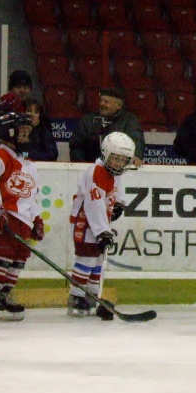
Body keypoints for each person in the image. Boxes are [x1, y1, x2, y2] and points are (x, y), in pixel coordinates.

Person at [0, 112, 43, 321]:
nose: (26, 136)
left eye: (27, 132)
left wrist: (36, 218)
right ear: (9, 133)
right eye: (22, 132)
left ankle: (4, 294)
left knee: (18, 260)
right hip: (3, 216)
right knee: (2, 257)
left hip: (23, 220)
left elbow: (32, 196)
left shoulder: (29, 165)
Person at [67, 132, 134, 318]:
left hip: (98, 222)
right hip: (85, 222)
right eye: (115, 159)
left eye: (123, 160)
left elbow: (115, 188)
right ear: (105, 153)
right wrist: (102, 231)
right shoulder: (96, 171)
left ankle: (92, 296)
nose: (119, 164)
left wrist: (119, 202)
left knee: (97, 260)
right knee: (86, 258)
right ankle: (77, 296)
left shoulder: (111, 172)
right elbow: (93, 203)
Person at [69, 87, 144, 167]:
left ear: (118, 105)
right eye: (101, 100)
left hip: (119, 170)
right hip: (90, 168)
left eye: (106, 102)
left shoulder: (129, 121)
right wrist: (82, 165)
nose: (102, 104)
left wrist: (136, 156)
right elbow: (76, 146)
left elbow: (137, 141)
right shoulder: (87, 120)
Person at [0, 69, 32, 153]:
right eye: (18, 87)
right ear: (11, 89)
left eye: (26, 87)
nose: (22, 91)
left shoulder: (34, 111)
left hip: (25, 161)